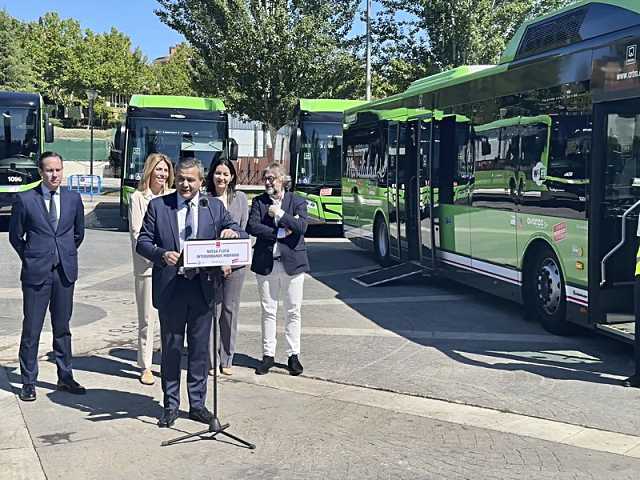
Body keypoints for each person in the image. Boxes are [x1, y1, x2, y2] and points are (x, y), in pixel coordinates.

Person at [136, 158, 248, 428]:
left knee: (199, 352)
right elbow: (143, 242)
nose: (186, 184)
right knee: (172, 349)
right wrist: (162, 254)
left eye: (192, 180)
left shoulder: (214, 208)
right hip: (172, 288)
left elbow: (239, 231)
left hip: (203, 289)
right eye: (182, 179)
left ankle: (197, 404)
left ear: (201, 181)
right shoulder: (158, 206)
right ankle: (170, 405)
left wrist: (231, 231)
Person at [9, 151, 86, 402]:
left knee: (62, 328)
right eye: (50, 170)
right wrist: (32, 257)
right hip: (36, 274)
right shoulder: (25, 200)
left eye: (58, 170)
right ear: (41, 172)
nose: (55, 175)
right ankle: (28, 381)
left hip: (64, 273)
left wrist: (62, 254)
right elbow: (15, 237)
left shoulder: (74, 199)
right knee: (31, 329)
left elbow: (78, 234)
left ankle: (65, 376)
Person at [246, 163, 309, 376]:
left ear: (282, 179)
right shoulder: (258, 202)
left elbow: (301, 228)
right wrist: (280, 233)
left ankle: (293, 355)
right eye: (265, 178)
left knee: (293, 311)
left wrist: (280, 213)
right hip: (266, 263)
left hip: (293, 264)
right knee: (268, 310)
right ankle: (268, 355)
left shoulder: (297, 200)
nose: (267, 181)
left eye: (271, 178)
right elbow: (252, 226)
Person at [129, 153, 175, 385]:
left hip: (172, 267)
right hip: (147, 267)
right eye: (158, 169)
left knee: (170, 318)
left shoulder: (172, 197)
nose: (162, 174)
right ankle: (145, 365)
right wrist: (161, 254)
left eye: (165, 170)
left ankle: (165, 361)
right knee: (148, 318)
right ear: (149, 171)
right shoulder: (138, 198)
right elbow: (138, 236)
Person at [205, 158, 248, 376]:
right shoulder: (205, 200)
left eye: (225, 174)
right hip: (211, 265)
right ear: (212, 175)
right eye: (218, 173)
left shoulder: (240, 199)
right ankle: (211, 359)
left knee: (230, 311)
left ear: (231, 177)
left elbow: (244, 231)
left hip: (237, 265)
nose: (221, 178)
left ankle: (227, 357)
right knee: (214, 310)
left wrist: (231, 258)